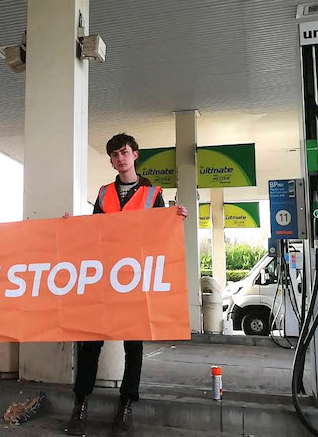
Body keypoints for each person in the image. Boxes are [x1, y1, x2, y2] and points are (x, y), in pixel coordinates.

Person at [65, 133, 188, 436]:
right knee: (90, 342)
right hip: (104, 279)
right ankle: (80, 403)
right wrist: (71, 227)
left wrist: (175, 220)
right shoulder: (104, 192)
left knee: (133, 346)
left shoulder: (152, 193)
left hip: (135, 279)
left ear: (135, 155)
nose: (119, 159)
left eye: (124, 153)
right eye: (114, 155)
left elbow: (160, 233)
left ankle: (126, 404)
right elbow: (94, 231)